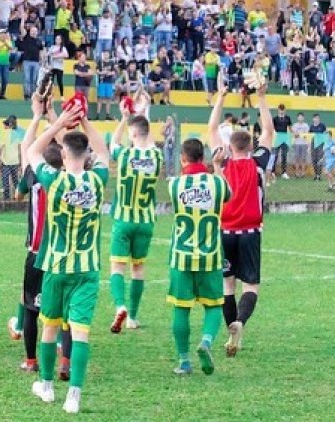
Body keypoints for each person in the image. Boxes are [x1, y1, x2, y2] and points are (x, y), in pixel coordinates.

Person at [27, 103, 110, 415]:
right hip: (87, 268)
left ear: (63, 155)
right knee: (80, 332)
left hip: (57, 267)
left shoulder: (54, 180)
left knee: (49, 328)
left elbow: (33, 151)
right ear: (86, 156)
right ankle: (73, 395)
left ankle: (47, 386)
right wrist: (85, 122)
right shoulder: (97, 179)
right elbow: (105, 154)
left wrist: (56, 122)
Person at [9, 96, 73, 379]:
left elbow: (18, 192)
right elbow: (72, 147)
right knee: (65, 309)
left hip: (37, 252)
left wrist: (39, 116)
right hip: (65, 253)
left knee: (31, 307)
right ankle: (65, 358)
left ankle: (32, 360)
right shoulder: (73, 177)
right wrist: (53, 117)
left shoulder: (34, 175)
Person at [209, 82, 274, 359]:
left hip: (224, 231)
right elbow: (269, 131)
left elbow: (211, 129)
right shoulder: (258, 163)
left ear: (229, 146)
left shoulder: (222, 163)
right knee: (251, 286)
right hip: (250, 232)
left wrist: (221, 97)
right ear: (251, 145)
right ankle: (240, 323)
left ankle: (230, 330)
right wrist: (260, 97)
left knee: (227, 285)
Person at [167, 139, 230, 376]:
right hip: (210, 256)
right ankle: (205, 341)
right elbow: (229, 194)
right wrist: (217, 166)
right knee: (213, 306)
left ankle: (184, 361)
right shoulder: (216, 184)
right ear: (202, 158)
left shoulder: (174, 185)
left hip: (181, 257)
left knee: (181, 310)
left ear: (183, 158)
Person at [108, 105, 163, 333]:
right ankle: (133, 316)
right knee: (138, 269)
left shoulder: (124, 155)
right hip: (145, 220)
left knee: (117, 267)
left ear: (132, 133)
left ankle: (120, 306)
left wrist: (123, 118)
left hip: (124, 218)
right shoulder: (156, 156)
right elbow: (147, 139)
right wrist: (144, 111)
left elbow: (113, 143)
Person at [0, 115, 21, 200]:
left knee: (5, 180)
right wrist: (20, 161)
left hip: (6, 162)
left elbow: (1, 148)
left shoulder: (4, 134)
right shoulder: (18, 134)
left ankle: (6, 198)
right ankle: (17, 197)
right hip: (15, 161)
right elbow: (19, 149)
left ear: (7, 125)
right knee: (16, 181)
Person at [272, 104, 292, 180]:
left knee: (284, 156)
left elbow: (290, 128)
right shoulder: (275, 118)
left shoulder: (288, 118)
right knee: (275, 155)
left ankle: (284, 172)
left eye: (283, 109)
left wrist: (294, 134)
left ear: (285, 110)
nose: (281, 111)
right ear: (278, 110)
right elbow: (273, 128)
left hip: (285, 139)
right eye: (280, 109)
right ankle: (272, 172)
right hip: (277, 139)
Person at [291, 113, 309, 178]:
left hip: (304, 144)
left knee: (303, 159)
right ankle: (297, 172)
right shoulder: (294, 125)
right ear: (297, 118)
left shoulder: (306, 125)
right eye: (299, 117)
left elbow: (306, 135)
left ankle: (303, 173)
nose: (300, 118)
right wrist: (299, 134)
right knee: (297, 158)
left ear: (303, 118)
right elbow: (294, 135)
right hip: (296, 144)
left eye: (301, 117)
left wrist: (300, 134)